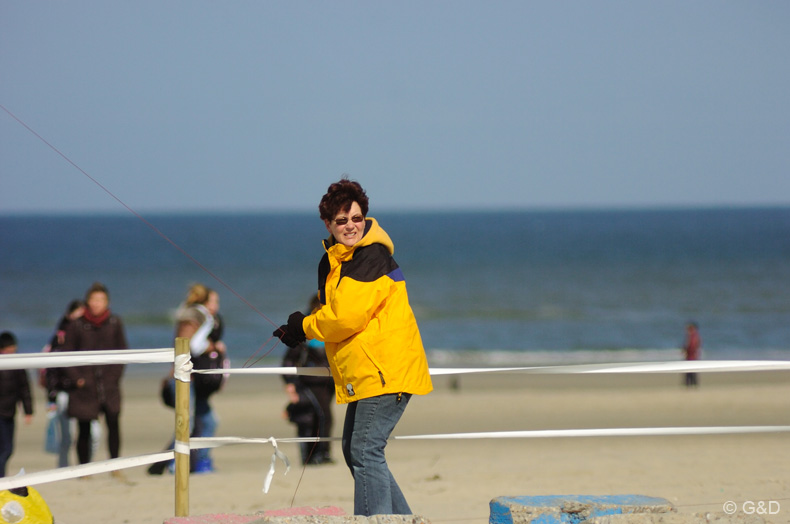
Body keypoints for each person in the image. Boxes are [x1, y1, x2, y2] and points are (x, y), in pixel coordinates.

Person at [273, 177, 433, 516]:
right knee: (354, 450)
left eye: (356, 218)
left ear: (366, 218)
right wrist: (300, 330)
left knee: (365, 451)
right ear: (328, 223)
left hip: (385, 371)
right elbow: (336, 315)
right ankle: (404, 521)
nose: (350, 226)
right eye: (342, 220)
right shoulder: (337, 260)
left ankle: (376, 521)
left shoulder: (370, 256)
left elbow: (345, 318)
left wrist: (303, 325)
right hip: (367, 372)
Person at [148, 284, 226, 475]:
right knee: (187, 423)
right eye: (213, 301)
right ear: (204, 301)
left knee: (208, 422)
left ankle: (200, 462)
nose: (215, 305)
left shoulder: (192, 314)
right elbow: (192, 345)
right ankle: (174, 464)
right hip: (182, 379)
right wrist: (212, 346)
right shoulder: (196, 316)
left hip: (194, 380)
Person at [60, 282, 128, 477]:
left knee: (113, 425)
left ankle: (115, 466)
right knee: (84, 429)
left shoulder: (115, 323)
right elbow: (65, 355)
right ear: (87, 302)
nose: (97, 304)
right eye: (94, 300)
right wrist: (78, 379)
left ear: (107, 302)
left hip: (109, 385)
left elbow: (123, 352)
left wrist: (114, 376)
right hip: (84, 386)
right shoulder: (76, 324)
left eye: (101, 300)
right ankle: (84, 468)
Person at [281, 295, 335, 465]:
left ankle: (321, 453)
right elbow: (288, 360)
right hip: (310, 381)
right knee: (321, 415)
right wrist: (290, 383)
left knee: (322, 416)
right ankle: (315, 454)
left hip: (330, 381)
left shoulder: (332, 326)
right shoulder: (304, 329)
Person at [40, 299, 85, 468]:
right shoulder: (59, 337)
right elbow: (52, 369)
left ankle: (85, 468)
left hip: (82, 390)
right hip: (63, 391)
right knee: (66, 436)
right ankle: (64, 468)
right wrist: (51, 396)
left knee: (92, 433)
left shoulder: (86, 333)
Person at [0, 331, 34, 477]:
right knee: (4, 450)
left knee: (8, 449)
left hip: (10, 412)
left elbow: (24, 388)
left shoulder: (17, 362)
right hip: (0, 413)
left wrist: (28, 411)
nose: (11, 350)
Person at [682, 321, 701, 388]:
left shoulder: (694, 336)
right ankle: (691, 385)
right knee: (690, 373)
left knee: (690, 372)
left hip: (692, 357)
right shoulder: (692, 336)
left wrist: (686, 349)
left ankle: (691, 386)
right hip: (691, 356)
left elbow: (692, 347)